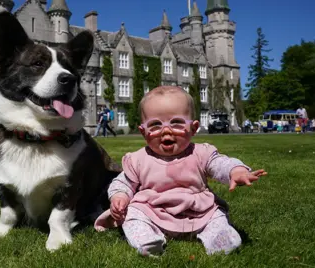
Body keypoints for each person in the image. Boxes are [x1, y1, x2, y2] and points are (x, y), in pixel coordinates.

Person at [94, 86, 267, 257]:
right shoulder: (138, 159)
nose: (166, 130)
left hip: (198, 210)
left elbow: (220, 163)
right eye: (155, 125)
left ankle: (219, 238)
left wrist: (235, 170)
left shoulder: (200, 153)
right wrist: (120, 197)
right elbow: (123, 182)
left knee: (217, 216)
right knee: (132, 213)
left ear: (193, 128)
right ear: (143, 132)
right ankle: (147, 239)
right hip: (153, 210)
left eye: (176, 123)